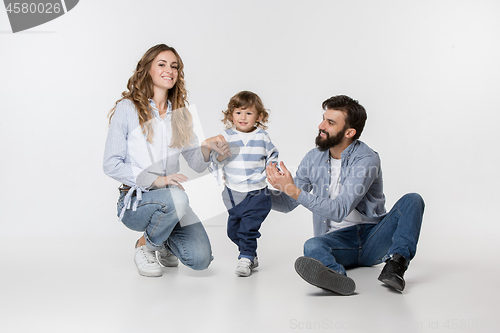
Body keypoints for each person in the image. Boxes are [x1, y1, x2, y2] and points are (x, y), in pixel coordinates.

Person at [266, 95, 424, 295]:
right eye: (323, 118)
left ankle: (396, 266)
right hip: (338, 241)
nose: (321, 125)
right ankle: (337, 276)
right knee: (312, 245)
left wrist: (293, 190)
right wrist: (252, 193)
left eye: (330, 122)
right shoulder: (313, 158)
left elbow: (339, 210)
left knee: (412, 200)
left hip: (372, 238)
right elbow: (288, 203)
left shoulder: (366, 160)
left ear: (350, 132)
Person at [103, 44, 230, 277]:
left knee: (200, 259)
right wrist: (157, 180)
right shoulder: (127, 108)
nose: (169, 70)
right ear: (147, 69)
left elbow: (196, 163)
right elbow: (111, 163)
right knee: (178, 197)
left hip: (172, 201)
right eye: (161, 64)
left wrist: (208, 147)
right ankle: (145, 245)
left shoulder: (180, 113)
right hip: (136, 202)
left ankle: (161, 240)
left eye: (174, 66)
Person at [210, 91, 279, 277]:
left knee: (248, 229)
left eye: (249, 113)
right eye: (238, 112)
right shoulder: (225, 136)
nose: (243, 117)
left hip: (257, 194)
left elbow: (273, 155)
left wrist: (272, 168)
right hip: (233, 193)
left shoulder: (262, 137)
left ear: (259, 117)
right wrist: (218, 158)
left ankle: (245, 258)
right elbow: (214, 160)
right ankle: (250, 254)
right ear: (230, 114)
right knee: (233, 231)